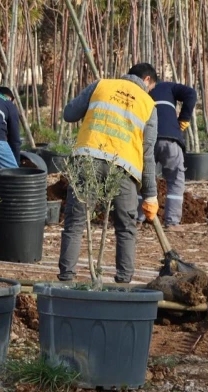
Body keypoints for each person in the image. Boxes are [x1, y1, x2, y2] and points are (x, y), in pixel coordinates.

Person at [57, 63, 160, 284]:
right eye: (151, 87)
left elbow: (69, 114)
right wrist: (151, 195)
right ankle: (123, 282)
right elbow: (147, 154)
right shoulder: (148, 105)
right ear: (148, 80)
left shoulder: (100, 85)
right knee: (125, 227)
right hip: (124, 168)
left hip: (87, 159)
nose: (149, 91)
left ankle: (66, 279)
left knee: (75, 222)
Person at [146, 78, 197, 227]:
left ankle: (137, 218)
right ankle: (172, 222)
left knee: (142, 180)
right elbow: (191, 93)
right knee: (175, 179)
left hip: (147, 140)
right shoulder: (167, 86)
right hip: (170, 138)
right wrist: (184, 119)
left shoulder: (139, 90)